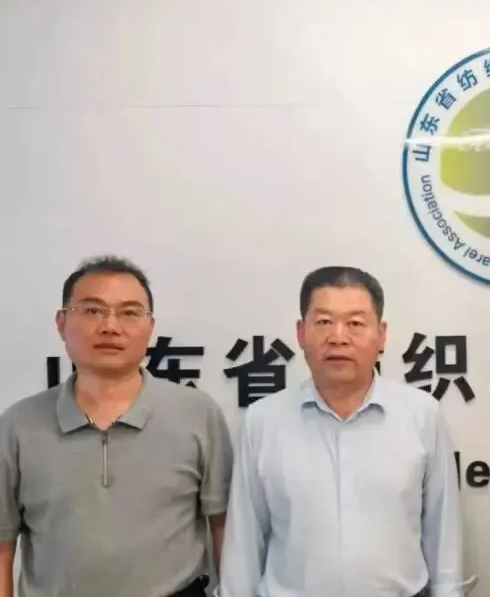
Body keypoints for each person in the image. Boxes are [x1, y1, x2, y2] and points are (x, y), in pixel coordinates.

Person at [219, 266, 465, 597]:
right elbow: (244, 543)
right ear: (301, 332)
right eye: (323, 322)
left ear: (381, 334)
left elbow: (443, 533)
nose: (338, 337)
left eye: (355, 323)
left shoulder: (422, 415)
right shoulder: (263, 421)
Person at [0, 255, 233, 597]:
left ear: (150, 327)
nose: (110, 326)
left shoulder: (197, 413)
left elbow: (223, 527)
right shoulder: (18, 425)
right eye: (93, 310)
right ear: (62, 322)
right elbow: (3, 543)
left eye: (129, 313)